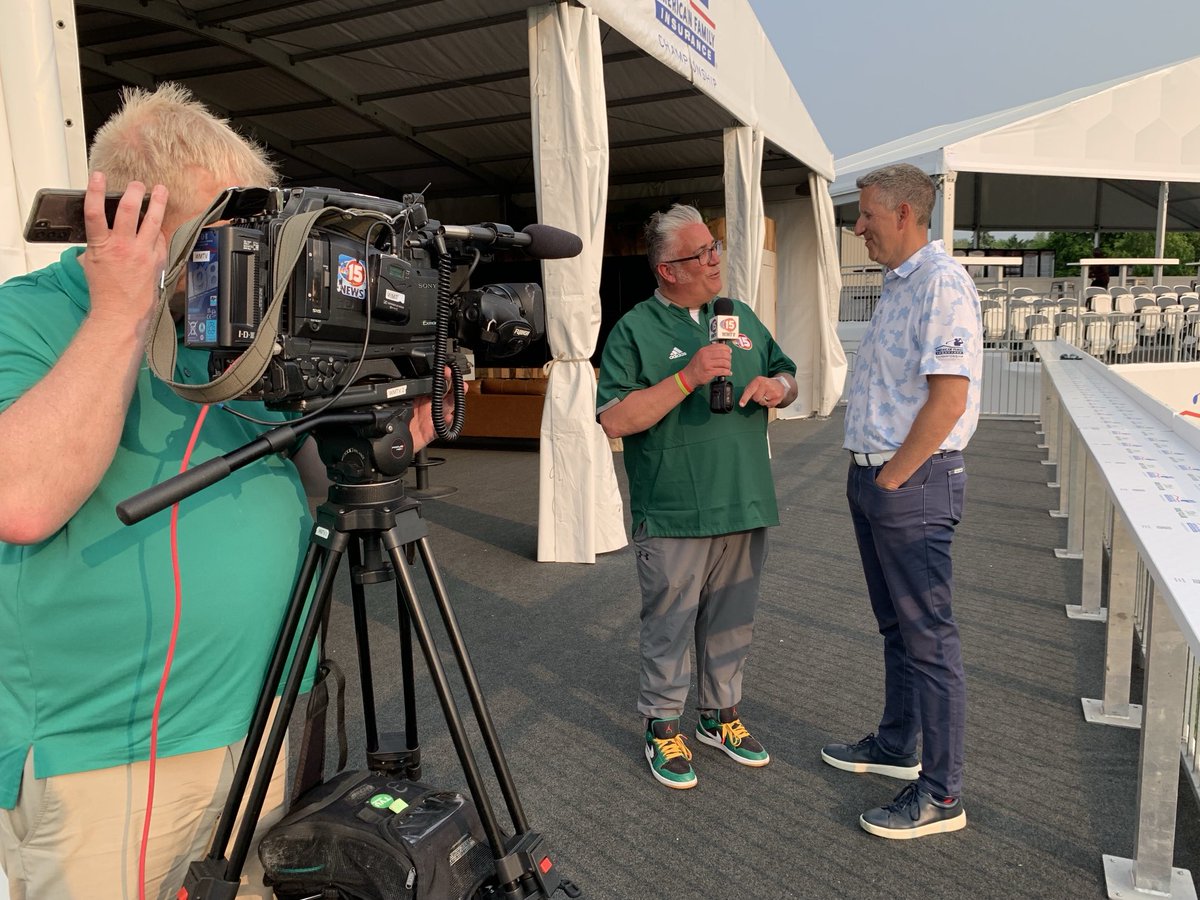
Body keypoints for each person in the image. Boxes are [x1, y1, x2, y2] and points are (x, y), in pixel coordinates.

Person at [0, 84, 450, 898]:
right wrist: (121, 312)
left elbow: (310, 489)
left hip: (278, 725)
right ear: (132, 219)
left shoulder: (236, 334)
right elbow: (20, 499)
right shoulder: (26, 320)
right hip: (114, 757)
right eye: (227, 239)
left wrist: (375, 438)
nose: (253, 265)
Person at [596, 204, 798, 789]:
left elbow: (788, 373)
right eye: (701, 254)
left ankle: (719, 714)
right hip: (676, 506)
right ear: (667, 270)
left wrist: (774, 388)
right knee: (670, 619)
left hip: (744, 498)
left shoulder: (738, 317)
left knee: (733, 618)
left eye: (715, 248)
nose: (715, 260)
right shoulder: (635, 329)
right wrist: (687, 378)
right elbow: (615, 418)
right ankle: (663, 725)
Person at [820, 163, 981, 838]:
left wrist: (891, 480)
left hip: (908, 482)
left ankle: (941, 796)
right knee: (900, 630)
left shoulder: (941, 284)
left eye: (866, 216)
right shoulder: (898, 283)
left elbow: (949, 398)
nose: (856, 226)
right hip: (878, 478)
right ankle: (896, 745)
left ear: (906, 215)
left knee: (929, 639)